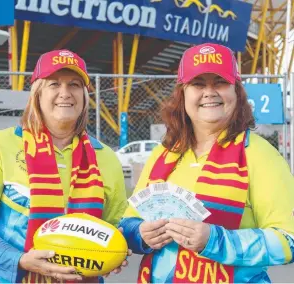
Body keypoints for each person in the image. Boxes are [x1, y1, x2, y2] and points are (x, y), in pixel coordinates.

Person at [120, 43, 294, 283]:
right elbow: (128, 222)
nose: (209, 92)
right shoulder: (163, 153)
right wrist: (139, 234)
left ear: (237, 91)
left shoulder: (261, 155)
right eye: (198, 84)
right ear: (183, 93)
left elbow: (288, 241)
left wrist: (216, 241)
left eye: (220, 82)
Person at [0, 49, 129, 283]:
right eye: (54, 84)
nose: (65, 93)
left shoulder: (105, 157)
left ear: (85, 96)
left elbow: (116, 226)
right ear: (37, 94)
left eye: (74, 85)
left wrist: (119, 250)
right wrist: (19, 260)